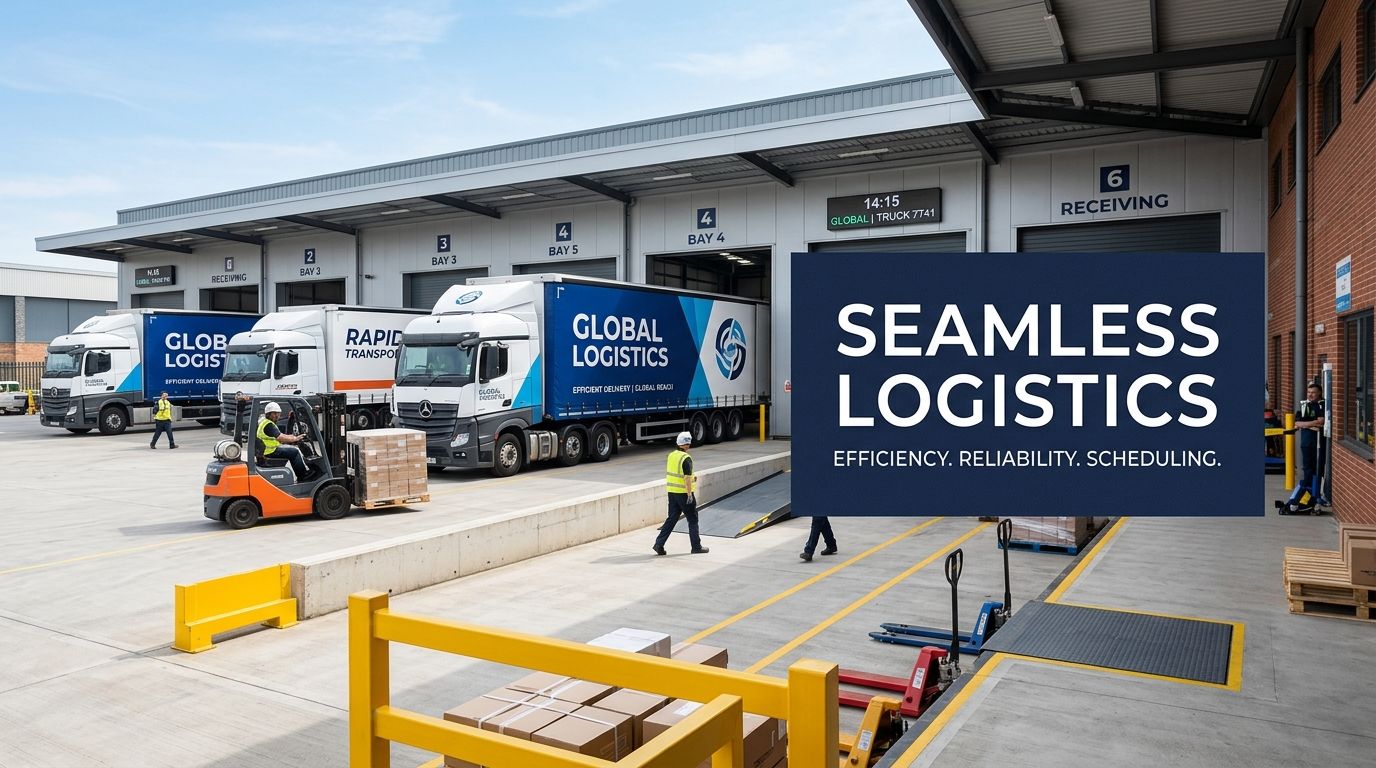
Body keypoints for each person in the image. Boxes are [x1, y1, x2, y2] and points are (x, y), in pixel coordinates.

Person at [653, 431, 709, 556]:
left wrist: (692, 478)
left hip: (672, 492)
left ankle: (659, 544)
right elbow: (686, 478)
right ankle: (696, 547)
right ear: (687, 444)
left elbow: (677, 474)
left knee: (672, 518)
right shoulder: (686, 458)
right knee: (692, 519)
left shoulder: (671, 455)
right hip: (684, 493)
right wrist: (689, 495)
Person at [258, 402, 314, 480]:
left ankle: (302, 474)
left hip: (267, 450)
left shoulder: (264, 422)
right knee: (294, 452)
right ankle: (302, 475)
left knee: (290, 449)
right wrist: (295, 439)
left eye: (278, 414)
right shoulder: (269, 425)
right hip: (270, 452)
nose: (277, 416)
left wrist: (292, 436)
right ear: (269, 414)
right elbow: (280, 437)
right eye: (275, 414)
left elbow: (279, 435)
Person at [1294, 382, 1325, 496]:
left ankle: (1317, 493)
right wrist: (1313, 424)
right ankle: (1307, 493)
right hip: (1306, 442)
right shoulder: (1305, 405)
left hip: (1319, 443)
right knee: (1307, 468)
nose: (1310, 395)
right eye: (1309, 392)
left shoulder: (1322, 405)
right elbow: (1297, 423)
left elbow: (1322, 422)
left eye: (1313, 392)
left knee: (1318, 468)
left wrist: (1305, 424)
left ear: (1319, 393)